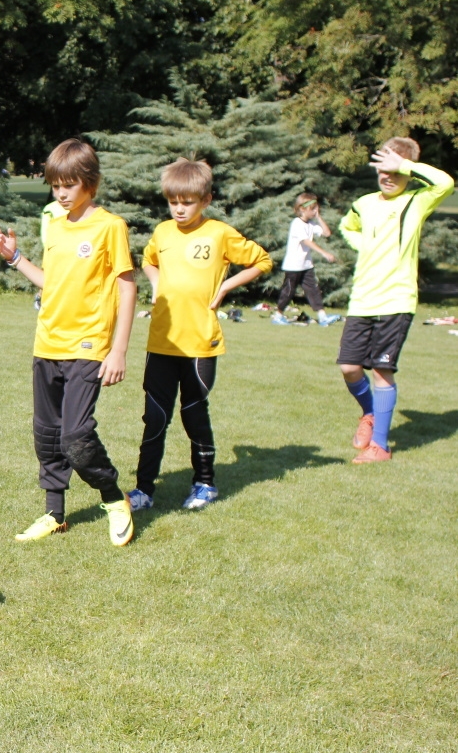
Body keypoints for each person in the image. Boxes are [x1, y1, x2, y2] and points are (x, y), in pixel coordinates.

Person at [0, 139, 137, 547]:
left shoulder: (110, 227)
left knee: (76, 436)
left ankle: (113, 498)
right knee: (47, 433)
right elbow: (52, 283)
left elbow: (127, 289)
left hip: (88, 346)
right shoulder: (55, 223)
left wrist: (119, 350)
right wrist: (15, 257)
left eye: (69, 185)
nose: (61, 193)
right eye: (56, 185)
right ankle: (54, 513)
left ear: (90, 183)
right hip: (47, 343)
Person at [125, 158, 273, 513]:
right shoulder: (162, 232)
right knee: (155, 416)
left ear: (205, 200)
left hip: (200, 344)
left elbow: (262, 260)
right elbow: (148, 260)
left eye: (187, 202)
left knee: (193, 413)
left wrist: (225, 288)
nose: (179, 208)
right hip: (162, 340)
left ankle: (205, 483)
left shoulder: (219, 233)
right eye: (173, 201)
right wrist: (157, 283)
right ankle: (144, 489)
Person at [336, 138, 454, 463]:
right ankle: (369, 414)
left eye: (395, 171)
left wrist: (404, 165)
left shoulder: (417, 200)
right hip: (362, 300)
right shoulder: (363, 203)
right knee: (348, 368)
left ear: (406, 172)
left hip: (396, 300)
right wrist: (365, 245)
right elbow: (346, 226)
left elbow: (445, 182)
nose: (388, 176)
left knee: (381, 372)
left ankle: (380, 447)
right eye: (383, 169)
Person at [274, 193, 339, 326]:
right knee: (288, 291)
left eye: (316, 208)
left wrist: (318, 217)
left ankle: (322, 317)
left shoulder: (311, 224)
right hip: (294, 266)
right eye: (313, 208)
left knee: (313, 290)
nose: (315, 211)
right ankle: (278, 315)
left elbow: (327, 233)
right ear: (302, 209)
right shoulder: (297, 224)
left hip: (306, 265)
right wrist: (324, 253)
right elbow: (307, 242)